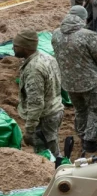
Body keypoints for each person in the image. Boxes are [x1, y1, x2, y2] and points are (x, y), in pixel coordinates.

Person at [52, 5, 97, 153]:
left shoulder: (56, 33)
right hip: (90, 82)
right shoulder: (88, 35)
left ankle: (82, 134)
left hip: (68, 82)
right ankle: (90, 142)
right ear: (83, 18)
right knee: (96, 110)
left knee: (80, 109)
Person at [14, 28, 62, 158]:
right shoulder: (47, 58)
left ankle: (57, 173)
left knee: (45, 155)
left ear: (26, 48)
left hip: (44, 118)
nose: (13, 48)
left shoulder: (34, 69)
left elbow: (36, 103)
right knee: (52, 145)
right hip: (55, 109)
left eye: (16, 46)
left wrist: (29, 130)